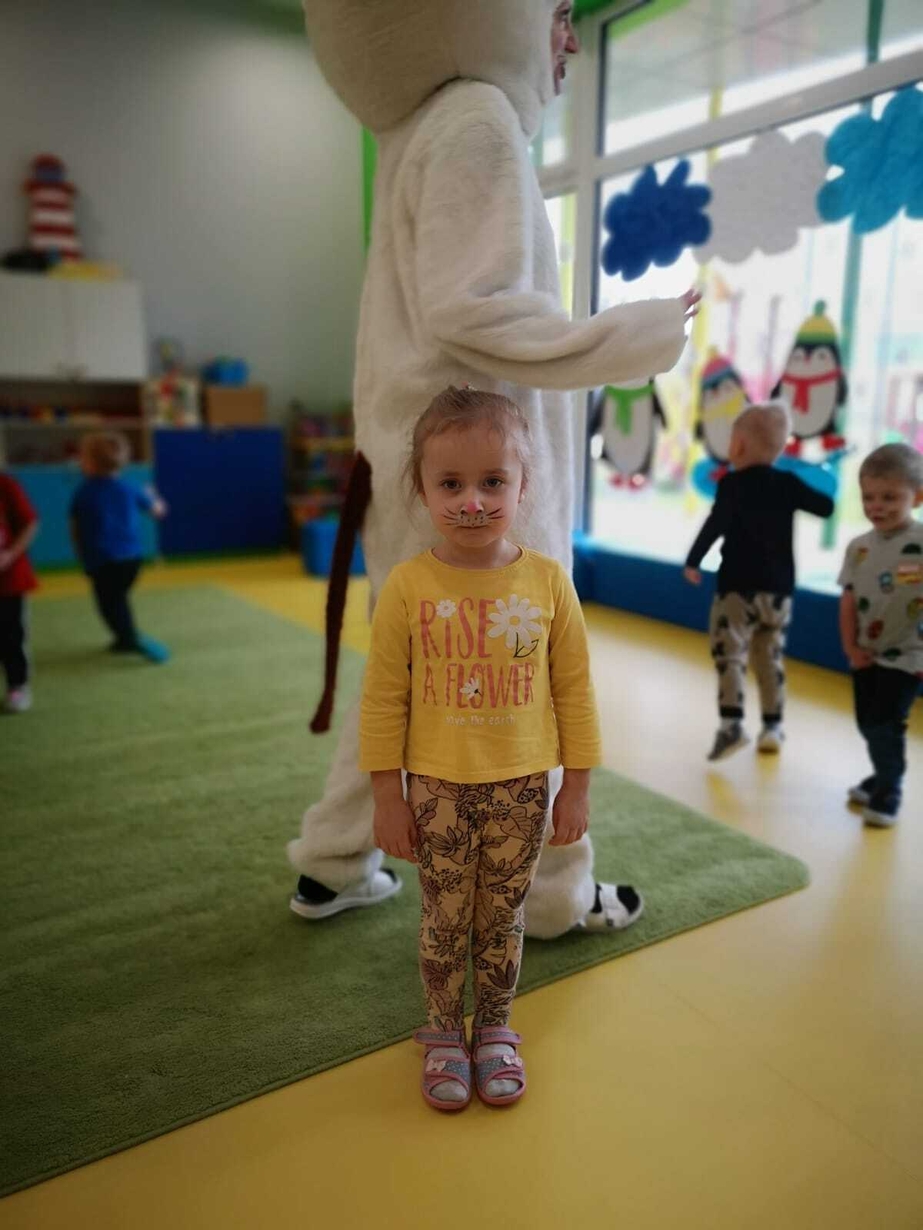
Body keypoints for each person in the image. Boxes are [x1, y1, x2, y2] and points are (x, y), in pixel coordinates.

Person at [289, 0, 699, 938]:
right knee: (525, 672)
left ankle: (332, 859)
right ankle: (551, 897)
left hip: (417, 469)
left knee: (409, 668)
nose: (568, 37)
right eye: (556, 12)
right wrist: (627, 337)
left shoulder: (416, 131)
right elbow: (472, 310)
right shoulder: (476, 117)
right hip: (482, 470)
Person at [362, 387, 601, 1109]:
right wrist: (386, 797)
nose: (472, 501)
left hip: (522, 787)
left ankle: (493, 1027)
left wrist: (576, 786)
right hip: (435, 790)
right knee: (443, 918)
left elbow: (575, 691)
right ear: (422, 490)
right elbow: (383, 700)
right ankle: (443, 1032)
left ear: (523, 487)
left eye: (492, 481)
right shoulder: (408, 587)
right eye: (451, 484)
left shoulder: (548, 582)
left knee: (501, 918)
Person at [684, 402, 834, 761]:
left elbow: (715, 525)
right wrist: (797, 477)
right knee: (769, 657)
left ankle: (732, 725)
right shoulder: (787, 483)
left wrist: (693, 559)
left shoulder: (732, 485)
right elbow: (826, 506)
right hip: (779, 591)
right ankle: (773, 727)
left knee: (730, 653)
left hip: (737, 588)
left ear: (738, 445)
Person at [838, 442, 923, 827]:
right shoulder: (858, 549)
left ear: (916, 497)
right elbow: (848, 601)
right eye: (869, 497)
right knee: (867, 722)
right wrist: (851, 647)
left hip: (909, 654)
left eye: (890, 497)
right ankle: (882, 772)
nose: (877, 506)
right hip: (867, 652)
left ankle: (890, 788)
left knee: (884, 723)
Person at [70, 431, 170, 663]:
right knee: (117, 599)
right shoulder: (131, 488)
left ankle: (130, 637)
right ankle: (124, 638)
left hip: (102, 560)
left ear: (90, 463)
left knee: (109, 603)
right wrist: (152, 494)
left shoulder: (84, 492)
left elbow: (75, 529)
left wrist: (81, 557)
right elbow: (159, 511)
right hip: (131, 560)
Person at [0, 464, 40, 713]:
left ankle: (18, 685)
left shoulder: (6, 486)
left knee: (11, 636)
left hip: (9, 583)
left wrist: (11, 554)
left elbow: (29, 522)